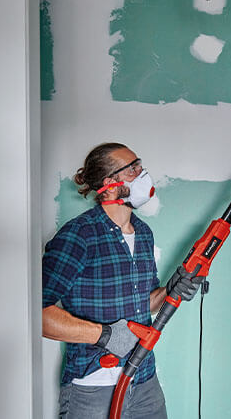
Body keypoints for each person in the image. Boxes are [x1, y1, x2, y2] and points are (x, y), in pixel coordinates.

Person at [42, 143, 202, 419]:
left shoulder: (143, 233)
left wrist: (171, 289)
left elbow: (145, 303)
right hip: (92, 388)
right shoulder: (78, 235)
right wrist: (103, 335)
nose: (143, 174)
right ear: (110, 183)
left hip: (144, 381)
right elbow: (36, 315)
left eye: (141, 165)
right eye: (133, 169)